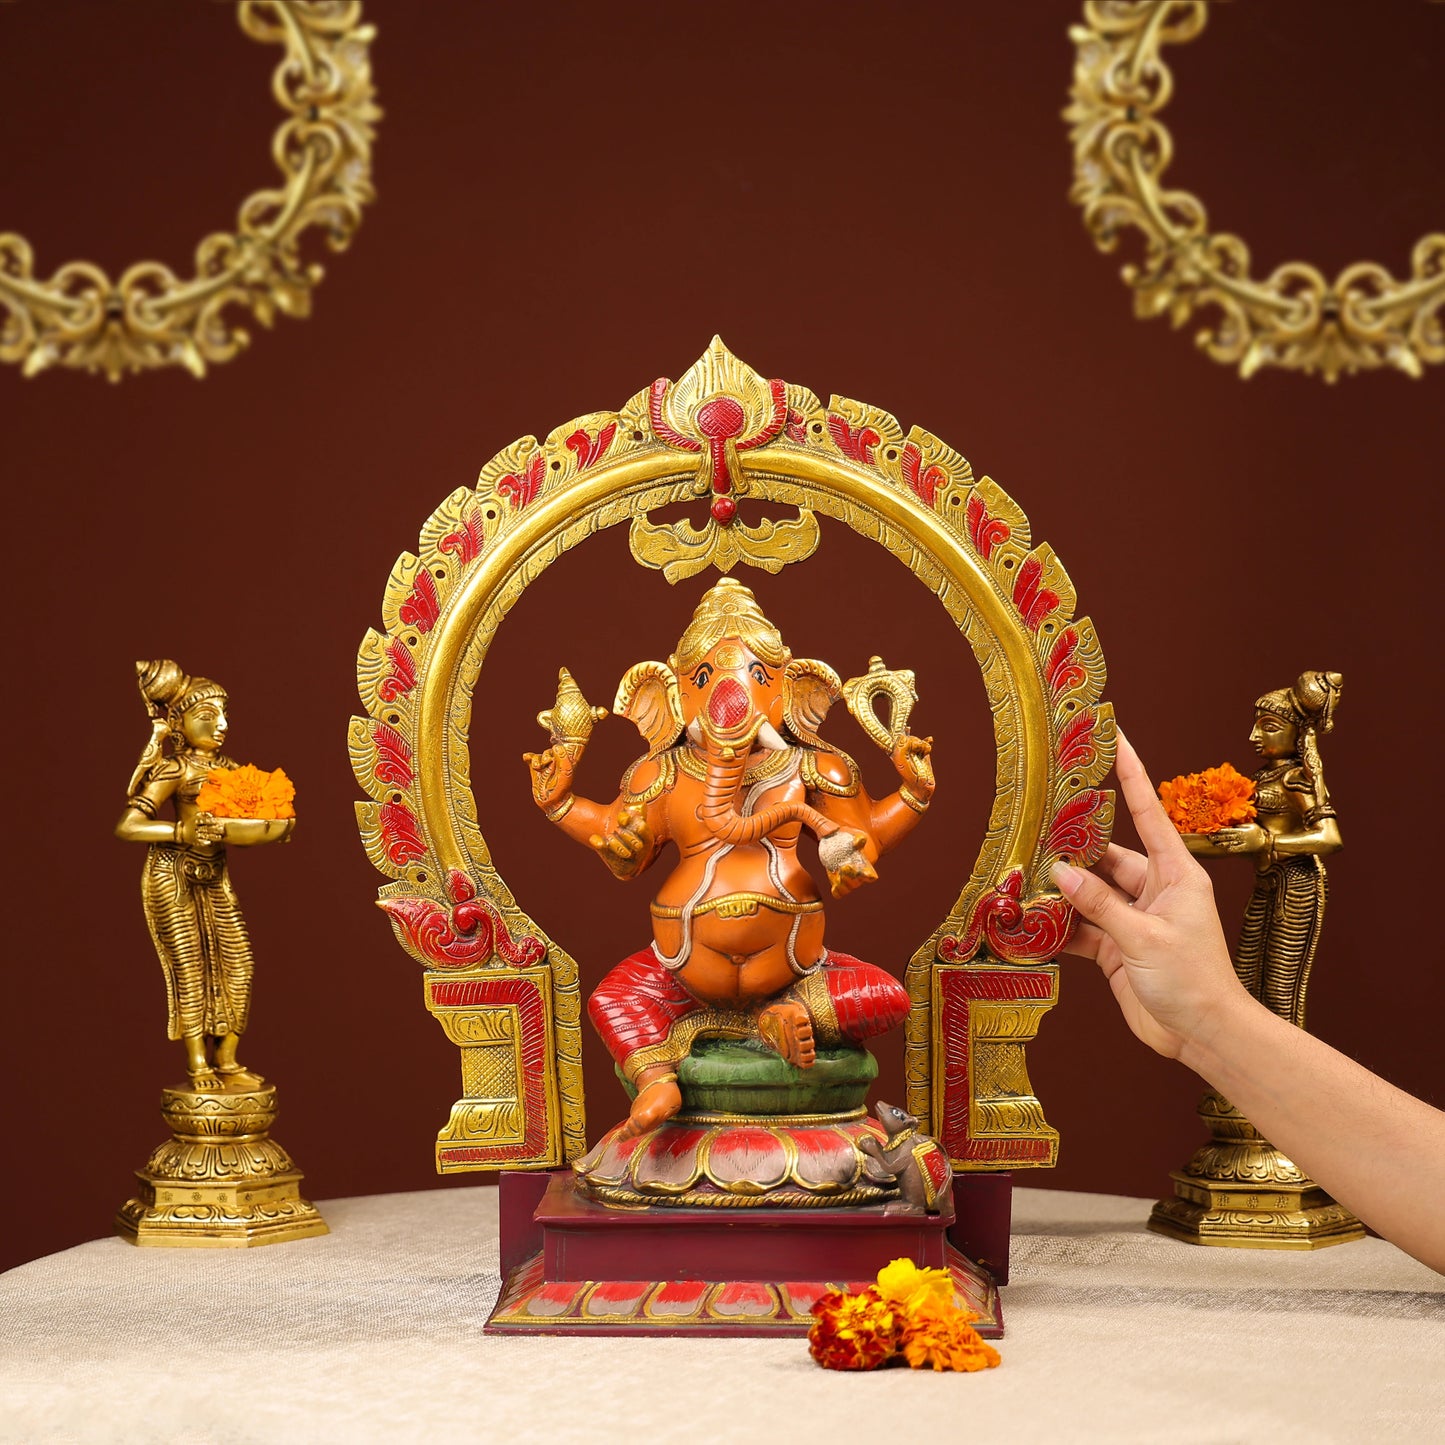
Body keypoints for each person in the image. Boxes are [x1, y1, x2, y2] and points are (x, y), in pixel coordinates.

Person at [1053, 731, 1445, 1275]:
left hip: (1295, 884)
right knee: (1254, 962)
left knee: (1280, 979)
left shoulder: (1297, 780)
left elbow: (1324, 834)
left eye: (1270, 722)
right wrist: (1205, 1023)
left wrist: (1264, 846)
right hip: (1264, 898)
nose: (1258, 734)